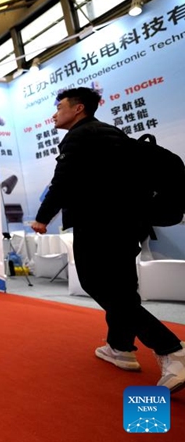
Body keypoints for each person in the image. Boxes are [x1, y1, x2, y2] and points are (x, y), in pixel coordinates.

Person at [30, 87, 185, 393]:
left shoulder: (79, 136)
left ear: (78, 109)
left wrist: (42, 218)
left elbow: (63, 183)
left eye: (59, 106)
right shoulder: (112, 135)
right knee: (122, 289)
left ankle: (171, 349)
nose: (54, 113)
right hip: (131, 223)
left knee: (97, 284)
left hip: (99, 223)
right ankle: (120, 347)